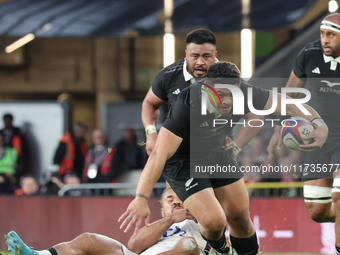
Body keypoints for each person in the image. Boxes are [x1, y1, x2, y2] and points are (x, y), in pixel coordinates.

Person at [119, 62, 328, 255]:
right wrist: (141, 197)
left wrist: (319, 124)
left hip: (218, 153)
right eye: (222, 94)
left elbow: (289, 105)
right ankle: (222, 252)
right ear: (207, 87)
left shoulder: (247, 92)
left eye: (233, 94)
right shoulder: (188, 103)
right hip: (183, 161)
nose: (228, 100)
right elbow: (159, 154)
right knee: (214, 221)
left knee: (240, 217)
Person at [267, 13, 340, 253]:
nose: (324, 40)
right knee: (318, 211)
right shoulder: (309, 56)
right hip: (318, 140)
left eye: (331, 34)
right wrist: (278, 128)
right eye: (322, 34)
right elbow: (288, 94)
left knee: (339, 198)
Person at [5, 187, 219, 255]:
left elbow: (216, 231)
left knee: (188, 246)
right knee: (89, 239)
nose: (176, 201)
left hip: (188, 249)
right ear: (162, 210)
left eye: (179, 197)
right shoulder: (161, 225)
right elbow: (134, 246)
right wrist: (171, 219)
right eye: (169, 199)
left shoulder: (204, 221)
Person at [142, 29, 217, 156]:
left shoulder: (229, 78)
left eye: (206, 56)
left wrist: (236, 146)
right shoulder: (168, 76)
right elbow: (149, 103)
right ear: (186, 54)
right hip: (177, 155)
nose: (200, 62)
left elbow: (252, 114)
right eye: (195, 56)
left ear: (215, 55)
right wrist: (151, 133)